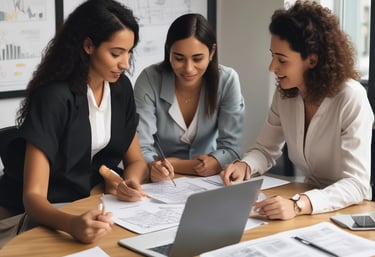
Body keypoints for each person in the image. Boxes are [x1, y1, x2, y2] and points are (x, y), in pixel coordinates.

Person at [0, 0, 148, 246]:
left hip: (89, 203)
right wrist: (72, 224)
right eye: (116, 53)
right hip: (41, 213)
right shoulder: (54, 97)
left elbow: (136, 161)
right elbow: (33, 197)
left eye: (129, 52)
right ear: (88, 46)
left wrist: (128, 182)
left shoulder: (121, 89)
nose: (125, 63)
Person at [221, 0, 374, 220]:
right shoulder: (287, 93)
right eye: (272, 55)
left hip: (347, 210)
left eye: (281, 60)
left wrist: (298, 204)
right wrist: (245, 166)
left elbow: (356, 184)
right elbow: (265, 150)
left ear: (311, 60)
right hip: (307, 205)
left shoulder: (350, 97)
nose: (272, 67)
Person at [134, 13, 245, 182]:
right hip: (160, 180)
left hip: (209, 180)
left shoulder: (227, 80)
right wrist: (157, 166)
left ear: (212, 52)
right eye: (179, 58)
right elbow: (140, 148)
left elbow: (231, 149)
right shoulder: (149, 79)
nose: (189, 69)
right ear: (168, 51)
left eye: (197, 58)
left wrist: (215, 161)